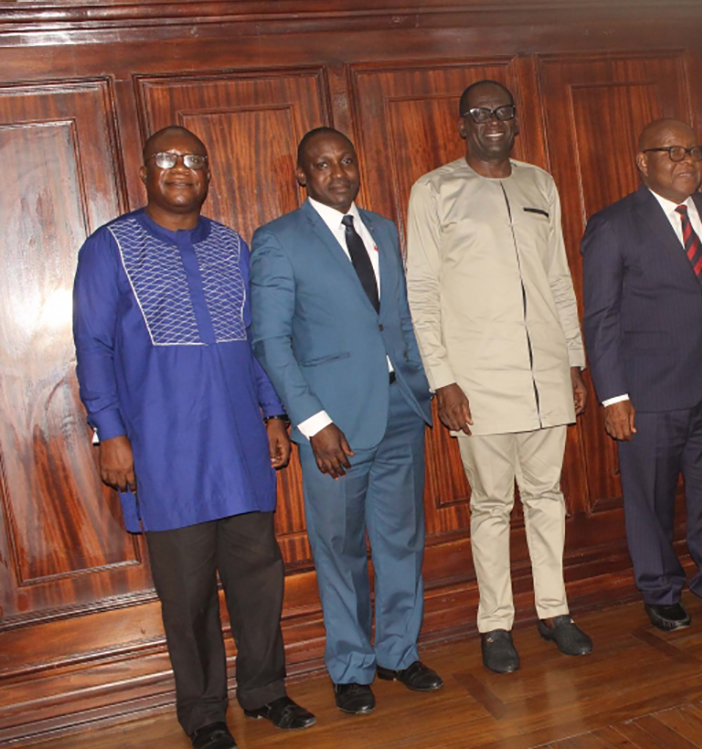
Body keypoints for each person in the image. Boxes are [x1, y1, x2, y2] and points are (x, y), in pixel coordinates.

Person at [73, 126, 315, 749]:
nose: (181, 168)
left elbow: (256, 338)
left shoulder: (231, 246)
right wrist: (109, 432)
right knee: (187, 594)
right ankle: (204, 714)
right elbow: (93, 347)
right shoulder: (109, 248)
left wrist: (272, 414)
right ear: (145, 172)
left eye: (194, 160)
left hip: (239, 444)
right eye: (167, 158)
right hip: (164, 451)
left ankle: (265, 691)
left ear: (208, 174)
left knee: (258, 577)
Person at [249, 127, 442, 715]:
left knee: (402, 541)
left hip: (401, 410)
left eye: (347, 161)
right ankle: (352, 667)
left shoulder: (382, 228)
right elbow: (270, 340)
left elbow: (398, 319)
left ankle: (398, 653)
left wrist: (421, 384)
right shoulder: (278, 240)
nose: (338, 173)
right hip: (333, 428)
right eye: (323, 164)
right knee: (341, 550)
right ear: (301, 176)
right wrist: (312, 421)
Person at [406, 81, 592, 673]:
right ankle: (495, 625)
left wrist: (574, 362)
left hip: (546, 373)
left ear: (516, 121)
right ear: (463, 125)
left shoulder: (540, 183)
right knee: (490, 505)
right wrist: (443, 380)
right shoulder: (434, 190)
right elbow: (421, 291)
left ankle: (554, 612)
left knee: (546, 497)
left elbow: (558, 278)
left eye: (503, 111)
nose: (493, 120)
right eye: (480, 113)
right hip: (477, 382)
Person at [581, 118, 702, 633]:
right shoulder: (614, 224)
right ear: (643, 161)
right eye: (672, 151)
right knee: (651, 499)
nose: (687, 161)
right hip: (648, 391)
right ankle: (660, 590)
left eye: (694, 151)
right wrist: (613, 395)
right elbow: (601, 317)